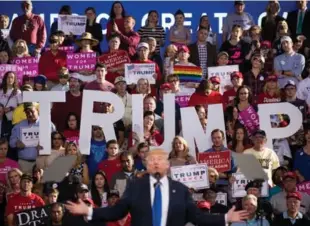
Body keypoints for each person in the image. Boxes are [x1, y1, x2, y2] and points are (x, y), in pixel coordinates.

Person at [65, 148, 250, 225]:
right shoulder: (135, 187)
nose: (156, 164)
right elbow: (116, 212)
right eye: (152, 161)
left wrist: (225, 217)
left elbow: (198, 217)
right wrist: (88, 212)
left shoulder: (181, 189)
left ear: (167, 166)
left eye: (160, 161)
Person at [10, 102, 56, 173]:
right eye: (27, 112)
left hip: (42, 161)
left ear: (37, 110)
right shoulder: (19, 126)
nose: (30, 114)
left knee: (40, 183)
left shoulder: (48, 124)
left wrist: (46, 145)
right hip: (23, 163)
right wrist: (16, 143)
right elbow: (11, 141)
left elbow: (56, 140)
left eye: (32, 111)